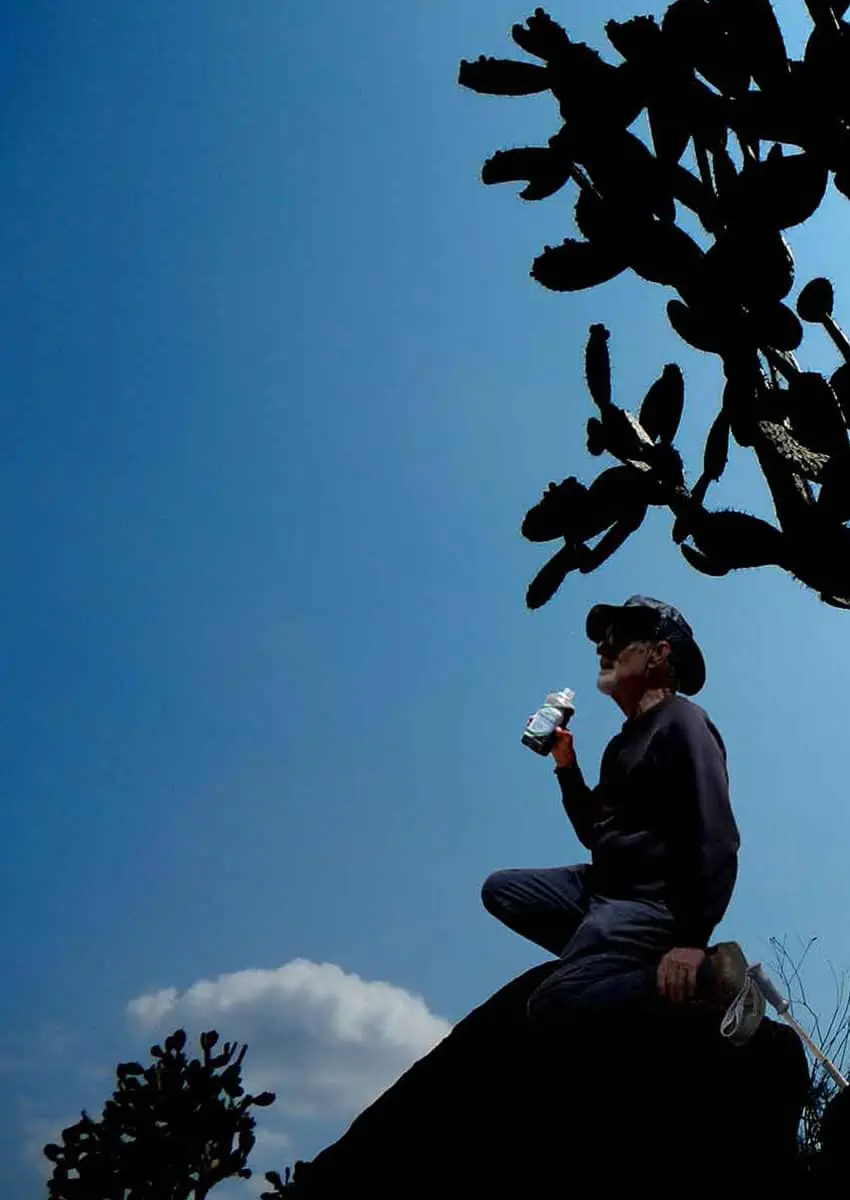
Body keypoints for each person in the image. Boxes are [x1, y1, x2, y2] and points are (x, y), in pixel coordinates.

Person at [482, 595, 740, 1022]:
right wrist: (566, 765)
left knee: (552, 1004)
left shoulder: (684, 721)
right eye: (602, 640)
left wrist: (693, 939)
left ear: (660, 653)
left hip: (650, 902)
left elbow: (716, 835)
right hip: (601, 889)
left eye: (620, 638)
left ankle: (705, 976)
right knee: (501, 890)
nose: (604, 647)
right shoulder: (622, 743)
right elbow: (595, 832)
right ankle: (615, 965)